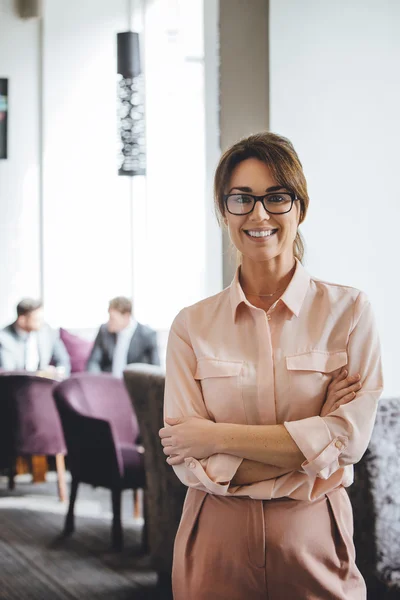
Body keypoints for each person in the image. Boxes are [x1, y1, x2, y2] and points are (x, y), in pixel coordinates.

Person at [159, 132, 383, 599]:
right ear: (224, 211)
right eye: (241, 199)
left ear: (300, 208)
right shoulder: (190, 326)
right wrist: (310, 446)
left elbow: (349, 442)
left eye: (276, 197)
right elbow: (190, 464)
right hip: (214, 539)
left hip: (314, 538)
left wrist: (215, 436)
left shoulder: (350, 313)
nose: (258, 214)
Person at [86, 296, 160, 376]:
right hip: (108, 383)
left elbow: (155, 369)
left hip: (134, 384)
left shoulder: (147, 335)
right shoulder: (104, 331)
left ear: (126, 316)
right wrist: (97, 380)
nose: (109, 322)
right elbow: (93, 361)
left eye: (112, 318)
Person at [0, 298, 71, 375]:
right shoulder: (4, 338)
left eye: (42, 318)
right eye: (37, 320)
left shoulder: (47, 330)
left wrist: (58, 372)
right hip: (19, 383)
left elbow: (63, 360)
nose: (42, 323)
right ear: (22, 320)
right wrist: (40, 374)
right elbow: (9, 372)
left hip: (46, 381)